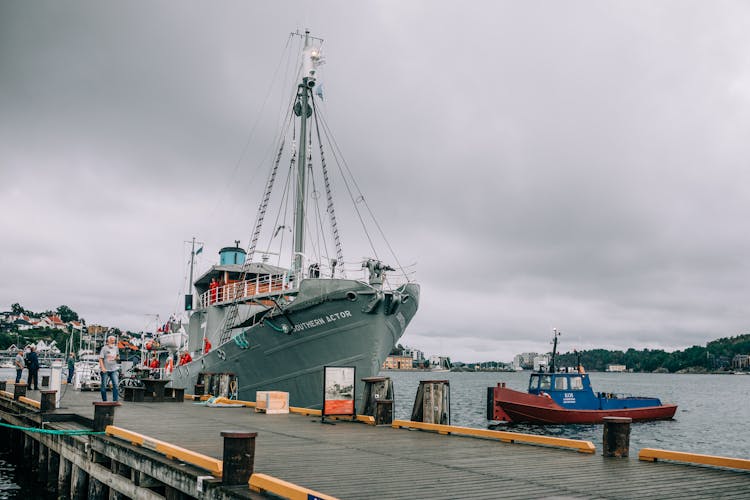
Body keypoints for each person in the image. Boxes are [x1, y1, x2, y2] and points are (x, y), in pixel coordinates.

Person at [98, 335, 120, 402]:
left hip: (114, 369)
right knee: (104, 386)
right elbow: (100, 359)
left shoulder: (116, 348)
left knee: (116, 385)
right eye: (112, 340)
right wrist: (103, 368)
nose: (113, 342)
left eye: (114, 341)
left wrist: (117, 358)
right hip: (105, 370)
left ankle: (115, 401)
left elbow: (118, 356)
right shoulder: (104, 348)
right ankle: (104, 401)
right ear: (108, 341)